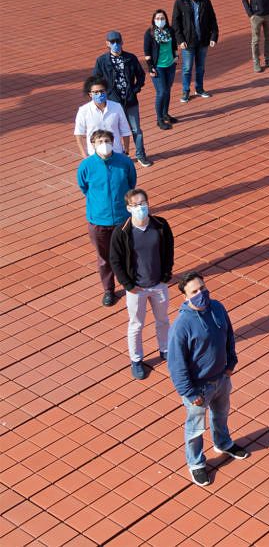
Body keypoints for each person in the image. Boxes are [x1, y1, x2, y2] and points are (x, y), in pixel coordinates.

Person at [167, 271, 249, 487]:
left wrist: (231, 364)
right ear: (185, 297)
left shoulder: (218, 308)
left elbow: (229, 335)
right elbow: (176, 364)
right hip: (198, 388)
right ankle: (196, 464)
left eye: (202, 288)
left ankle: (223, 443)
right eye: (194, 291)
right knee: (195, 429)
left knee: (221, 414)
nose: (201, 293)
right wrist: (189, 392)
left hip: (221, 378)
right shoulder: (181, 325)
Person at [109, 189, 174, 380]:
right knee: (136, 325)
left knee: (163, 320)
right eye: (136, 205)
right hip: (136, 288)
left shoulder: (161, 225)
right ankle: (136, 360)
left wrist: (166, 274)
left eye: (143, 203)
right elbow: (115, 261)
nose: (141, 207)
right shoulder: (121, 232)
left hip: (158, 284)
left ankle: (166, 350)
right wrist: (128, 285)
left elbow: (169, 249)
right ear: (129, 208)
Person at [76, 130, 137, 306]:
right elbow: (84, 187)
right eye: (100, 141)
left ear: (113, 142)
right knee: (104, 258)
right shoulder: (86, 166)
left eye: (107, 140)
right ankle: (109, 290)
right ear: (93, 145)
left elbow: (131, 183)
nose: (104, 143)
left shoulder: (124, 162)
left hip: (122, 218)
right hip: (98, 220)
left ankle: (129, 283)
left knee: (127, 253)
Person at [93, 31, 151, 166]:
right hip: (113, 103)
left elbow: (141, 75)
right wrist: (105, 93)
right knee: (113, 130)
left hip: (130, 101)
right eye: (112, 42)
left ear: (122, 42)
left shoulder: (130, 58)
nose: (115, 44)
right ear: (107, 44)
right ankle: (115, 156)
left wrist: (136, 89)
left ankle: (141, 155)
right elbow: (96, 78)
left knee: (136, 129)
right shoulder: (102, 60)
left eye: (118, 41)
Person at [171, 0, 218, 103]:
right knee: (187, 68)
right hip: (187, 42)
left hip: (202, 40)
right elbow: (175, 23)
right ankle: (186, 91)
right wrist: (180, 40)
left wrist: (214, 36)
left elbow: (212, 20)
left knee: (201, 67)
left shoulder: (205, 2)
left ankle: (199, 88)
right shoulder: (180, 2)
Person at [74, 75, 131, 158]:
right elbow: (79, 134)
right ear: (90, 94)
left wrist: (126, 151)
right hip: (94, 155)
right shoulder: (83, 111)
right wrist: (84, 154)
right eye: (96, 92)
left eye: (102, 91)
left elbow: (125, 130)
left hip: (116, 152)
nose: (99, 94)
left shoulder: (117, 107)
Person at [142, 9, 179, 130]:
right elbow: (147, 51)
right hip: (158, 67)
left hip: (170, 65)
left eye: (162, 18)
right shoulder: (150, 33)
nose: (160, 21)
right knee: (161, 92)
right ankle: (159, 119)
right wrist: (150, 67)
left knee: (168, 91)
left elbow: (174, 45)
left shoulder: (170, 31)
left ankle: (165, 114)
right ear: (153, 20)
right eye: (157, 19)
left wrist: (176, 57)